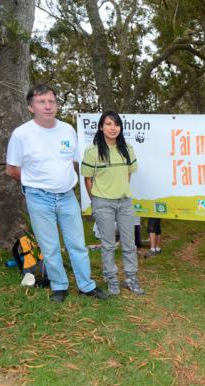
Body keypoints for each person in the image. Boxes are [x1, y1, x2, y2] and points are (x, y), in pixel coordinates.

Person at [6, 84, 108, 303]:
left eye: (52, 101)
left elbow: (74, 162)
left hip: (67, 196)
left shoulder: (67, 130)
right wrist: (36, 183)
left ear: (57, 105)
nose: (48, 106)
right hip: (38, 198)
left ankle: (86, 286)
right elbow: (12, 169)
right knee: (50, 247)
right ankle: (59, 286)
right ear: (31, 107)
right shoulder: (21, 134)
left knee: (77, 244)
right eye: (41, 102)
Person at [81, 111, 145, 296]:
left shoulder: (127, 149)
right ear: (101, 127)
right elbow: (88, 179)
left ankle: (131, 279)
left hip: (124, 202)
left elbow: (128, 173)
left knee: (129, 244)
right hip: (103, 204)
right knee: (108, 245)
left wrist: (120, 191)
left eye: (116, 124)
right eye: (108, 124)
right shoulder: (92, 151)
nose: (113, 128)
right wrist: (96, 200)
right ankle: (112, 280)